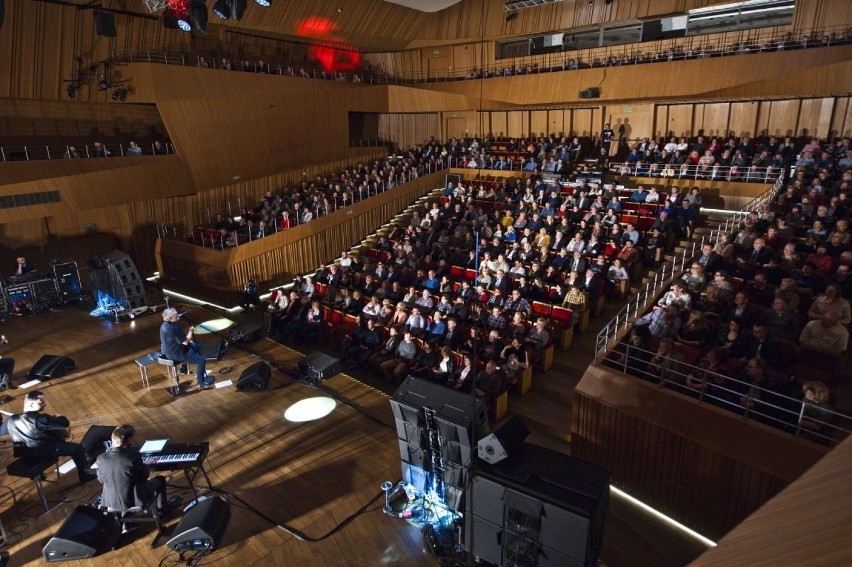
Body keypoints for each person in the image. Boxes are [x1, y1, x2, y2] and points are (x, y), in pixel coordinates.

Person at [4, 391, 95, 483]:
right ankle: (85, 475)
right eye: (41, 402)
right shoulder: (39, 419)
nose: (45, 404)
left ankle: (39, 474)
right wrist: (60, 417)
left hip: (24, 454)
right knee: (77, 448)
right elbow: (64, 423)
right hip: (42, 453)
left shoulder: (11, 419)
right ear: (31, 404)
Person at [96, 425, 179, 521]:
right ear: (129, 440)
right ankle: (162, 512)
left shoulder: (101, 458)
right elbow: (144, 476)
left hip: (110, 501)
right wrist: (145, 465)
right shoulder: (132, 456)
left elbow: (101, 479)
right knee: (160, 480)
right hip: (133, 500)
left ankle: (125, 522)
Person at [159, 308, 214, 389]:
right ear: (170, 318)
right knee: (201, 361)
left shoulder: (165, 325)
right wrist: (190, 331)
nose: (178, 315)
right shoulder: (173, 328)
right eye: (175, 315)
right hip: (177, 353)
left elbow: (179, 339)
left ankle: (184, 368)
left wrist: (187, 339)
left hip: (170, 350)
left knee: (195, 346)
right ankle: (201, 384)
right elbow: (185, 342)